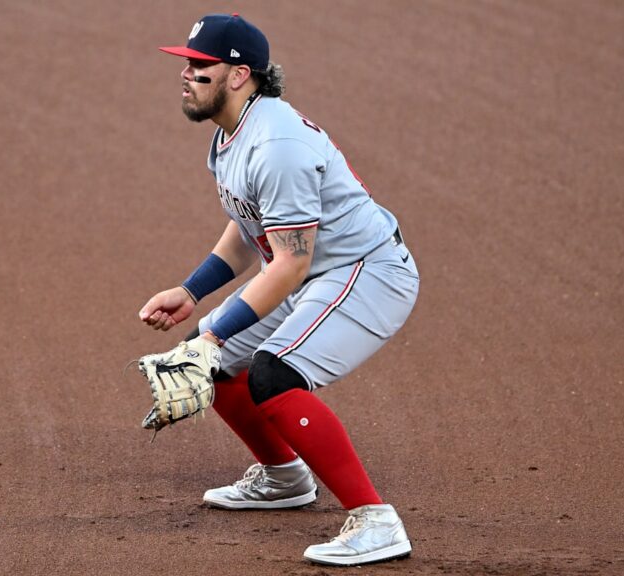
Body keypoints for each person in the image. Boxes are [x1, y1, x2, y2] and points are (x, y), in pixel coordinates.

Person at [138, 13, 420, 567]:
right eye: (186, 64)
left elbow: (289, 263)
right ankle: (284, 478)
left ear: (239, 75)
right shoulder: (230, 135)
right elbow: (250, 231)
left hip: (366, 273)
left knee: (273, 373)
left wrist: (215, 332)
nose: (186, 74)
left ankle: (376, 520)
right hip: (315, 271)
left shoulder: (277, 146)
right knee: (214, 360)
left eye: (200, 66)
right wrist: (194, 295)